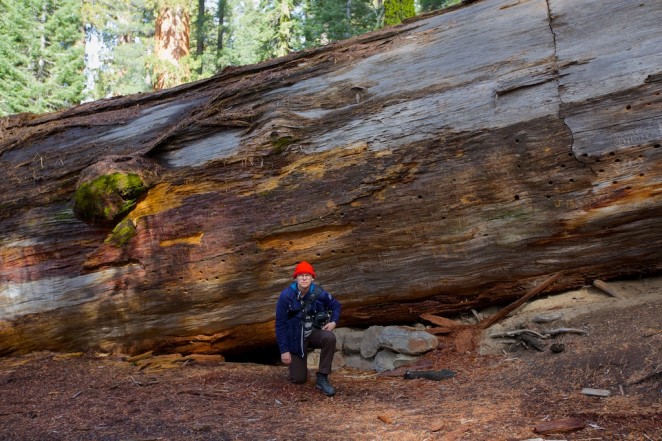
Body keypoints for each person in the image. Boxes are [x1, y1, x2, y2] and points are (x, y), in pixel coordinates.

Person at [275, 261, 341, 396]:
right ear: (296, 278)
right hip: (294, 340)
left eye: (307, 275)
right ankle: (298, 364)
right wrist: (284, 350)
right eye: (301, 275)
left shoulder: (319, 293)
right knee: (299, 379)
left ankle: (322, 377)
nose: (304, 278)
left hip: (312, 334)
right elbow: (280, 324)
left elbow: (336, 305)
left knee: (329, 337)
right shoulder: (286, 296)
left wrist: (334, 322)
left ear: (312, 278)